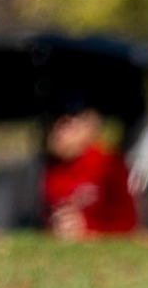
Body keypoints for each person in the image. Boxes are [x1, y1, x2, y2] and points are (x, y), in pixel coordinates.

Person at [42, 100, 138, 239]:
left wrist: (87, 229)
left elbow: (129, 223)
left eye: (66, 124)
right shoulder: (52, 169)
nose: (59, 131)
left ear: (89, 126)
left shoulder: (110, 164)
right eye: (56, 123)